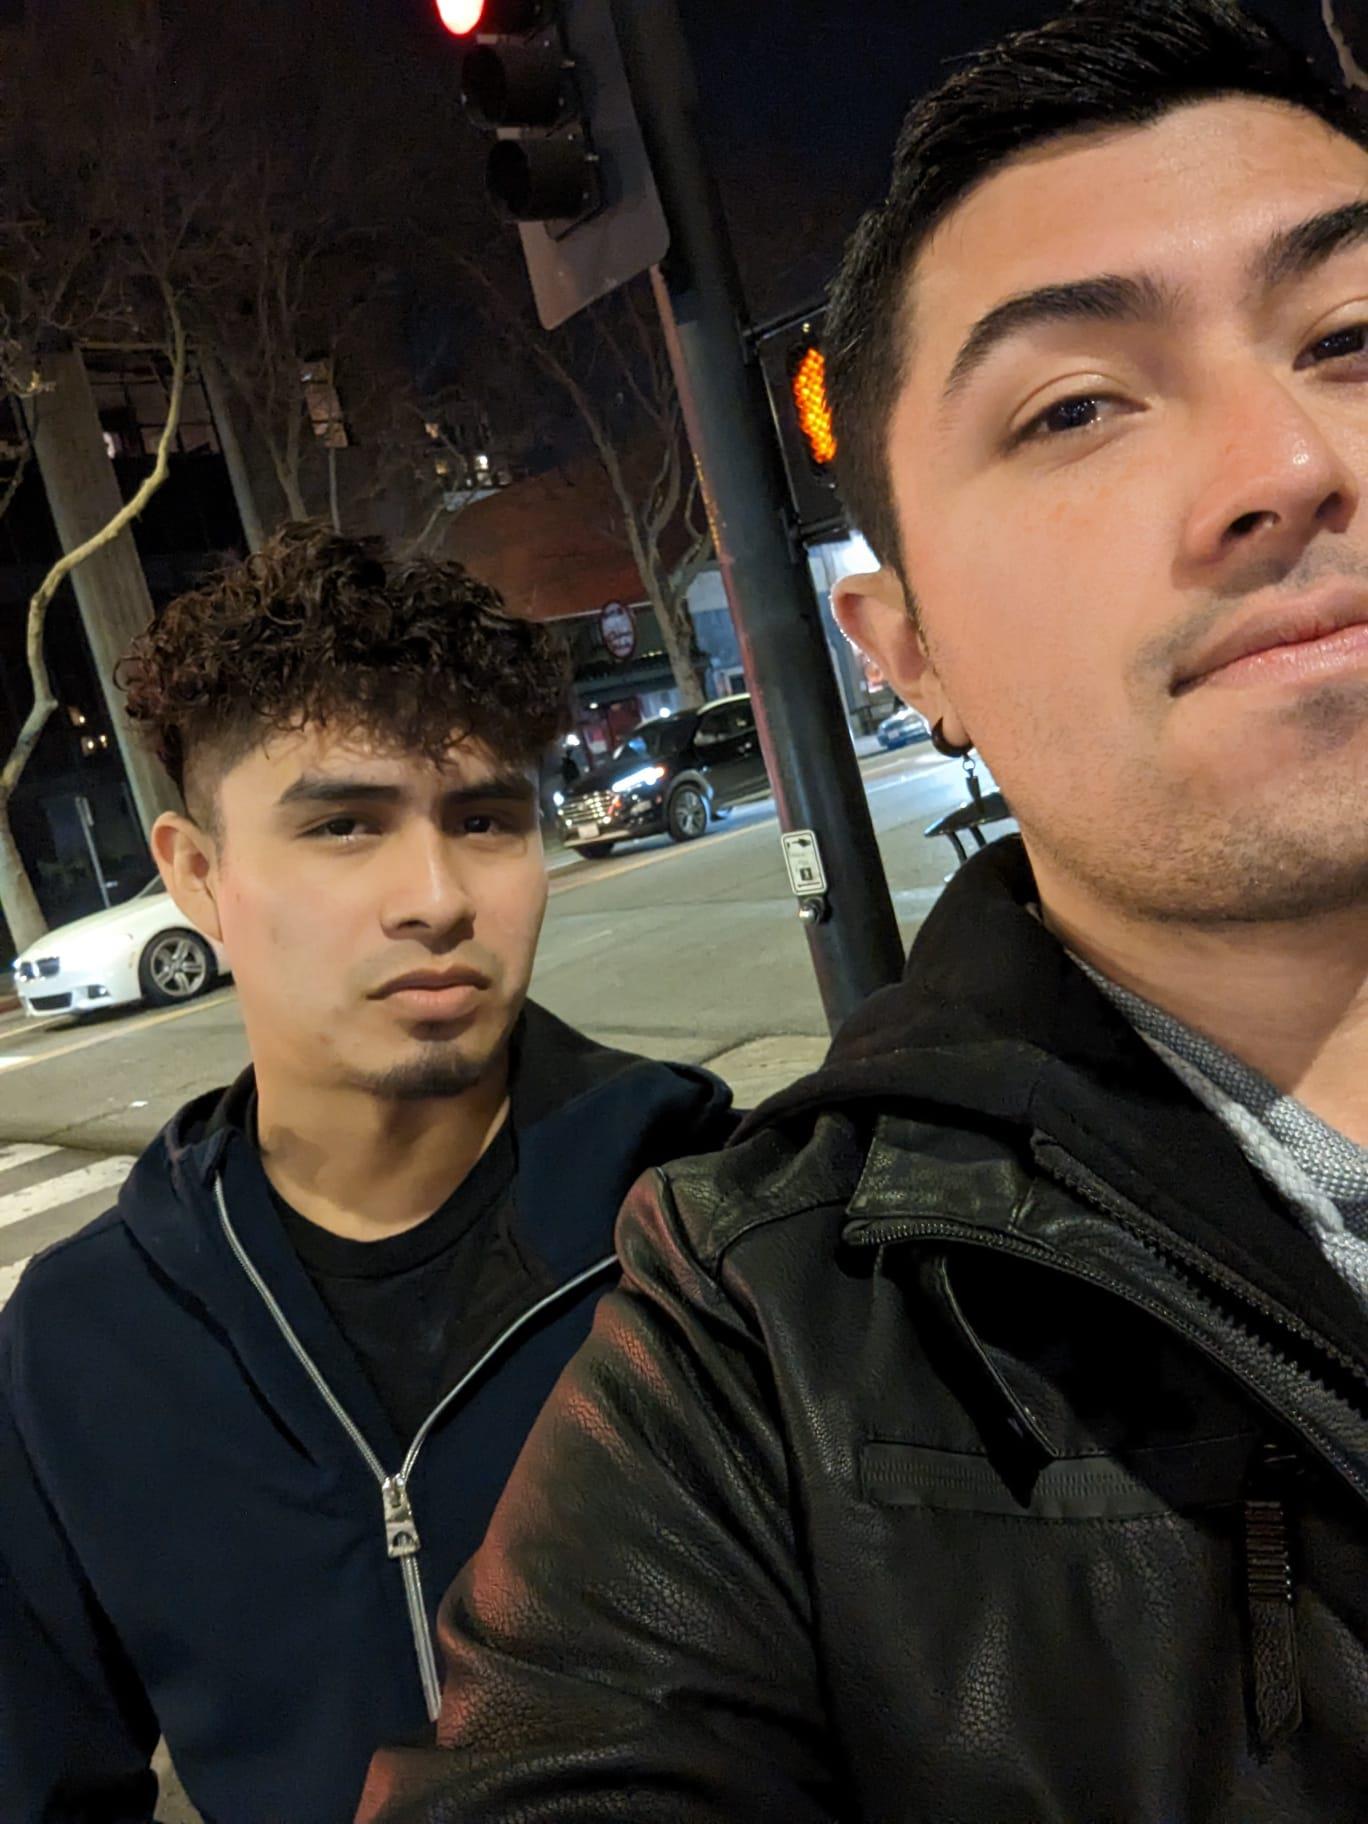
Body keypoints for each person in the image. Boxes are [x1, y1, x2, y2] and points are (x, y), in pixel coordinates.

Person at [357, 3, 1368, 1819]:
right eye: (1074, 405)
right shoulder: (770, 1342)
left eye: (1354, 333)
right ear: (910, 655)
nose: (1286, 464)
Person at [0, 525, 734, 1823]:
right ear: (197, 875)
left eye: (486, 819)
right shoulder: (78, 1348)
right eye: (344, 825)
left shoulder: (714, 1228)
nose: (438, 895)